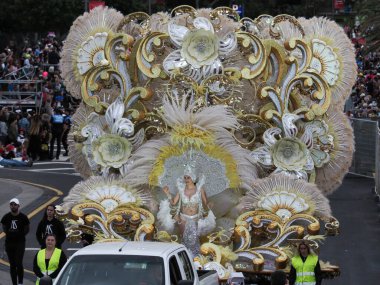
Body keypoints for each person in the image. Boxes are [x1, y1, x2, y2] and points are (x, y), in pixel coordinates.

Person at [158, 165, 216, 257]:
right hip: (183, 219)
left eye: (188, 177)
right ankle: (184, 259)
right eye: (185, 177)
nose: (186, 179)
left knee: (194, 240)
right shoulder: (181, 189)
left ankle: (196, 260)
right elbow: (173, 203)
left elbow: (206, 203)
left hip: (195, 219)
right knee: (184, 240)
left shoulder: (199, 189)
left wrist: (209, 205)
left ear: (193, 178)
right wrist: (168, 193)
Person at [1, 198, 30, 285]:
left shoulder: (23, 217)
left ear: (18, 206)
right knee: (12, 265)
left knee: (19, 263)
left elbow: (27, 229)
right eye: (11, 204)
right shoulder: (6, 217)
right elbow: (4, 228)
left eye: (15, 204)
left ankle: (20, 282)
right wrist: (11, 234)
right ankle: (14, 283)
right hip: (9, 243)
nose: (13, 206)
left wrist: (19, 235)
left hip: (20, 243)